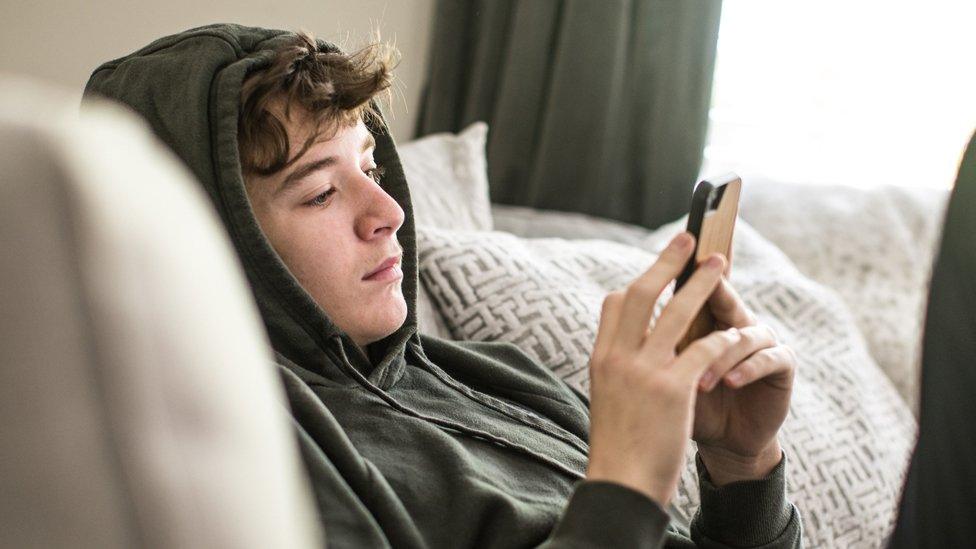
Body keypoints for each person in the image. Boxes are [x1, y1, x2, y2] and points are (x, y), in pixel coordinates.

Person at [85, 23, 802, 547]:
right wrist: (623, 487)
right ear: (203, 239)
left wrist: (742, 468)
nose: (389, 212)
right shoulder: (253, 456)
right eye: (319, 195)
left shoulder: (501, 375)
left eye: (367, 169)